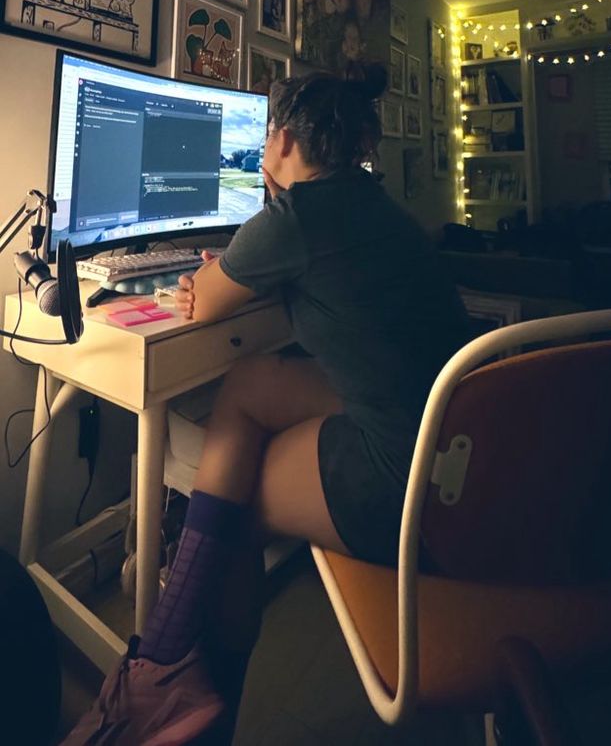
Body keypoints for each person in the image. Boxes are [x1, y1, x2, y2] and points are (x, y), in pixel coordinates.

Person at [63, 68, 472, 745]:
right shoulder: (379, 208)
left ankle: (176, 691)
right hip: (455, 435)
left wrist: (240, 247)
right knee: (252, 380)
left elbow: (204, 298)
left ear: (279, 139)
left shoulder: (292, 217)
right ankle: (170, 657)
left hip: (405, 474)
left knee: (233, 513)